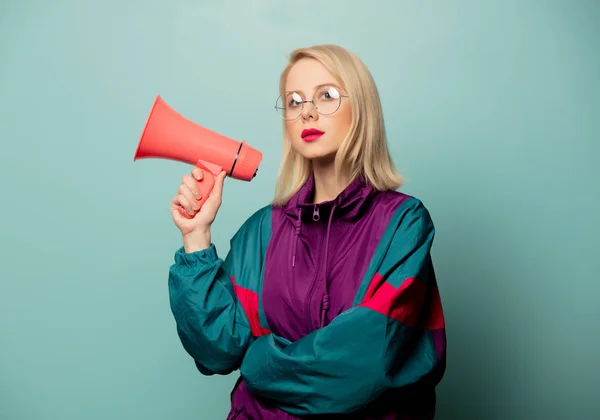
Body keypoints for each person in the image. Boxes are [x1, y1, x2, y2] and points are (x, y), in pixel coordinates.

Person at [167, 44, 447, 419]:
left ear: (361, 109)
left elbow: (364, 363)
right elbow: (218, 351)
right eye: (295, 102)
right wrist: (196, 237)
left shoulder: (401, 223)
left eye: (326, 96)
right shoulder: (261, 231)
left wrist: (259, 361)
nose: (308, 112)